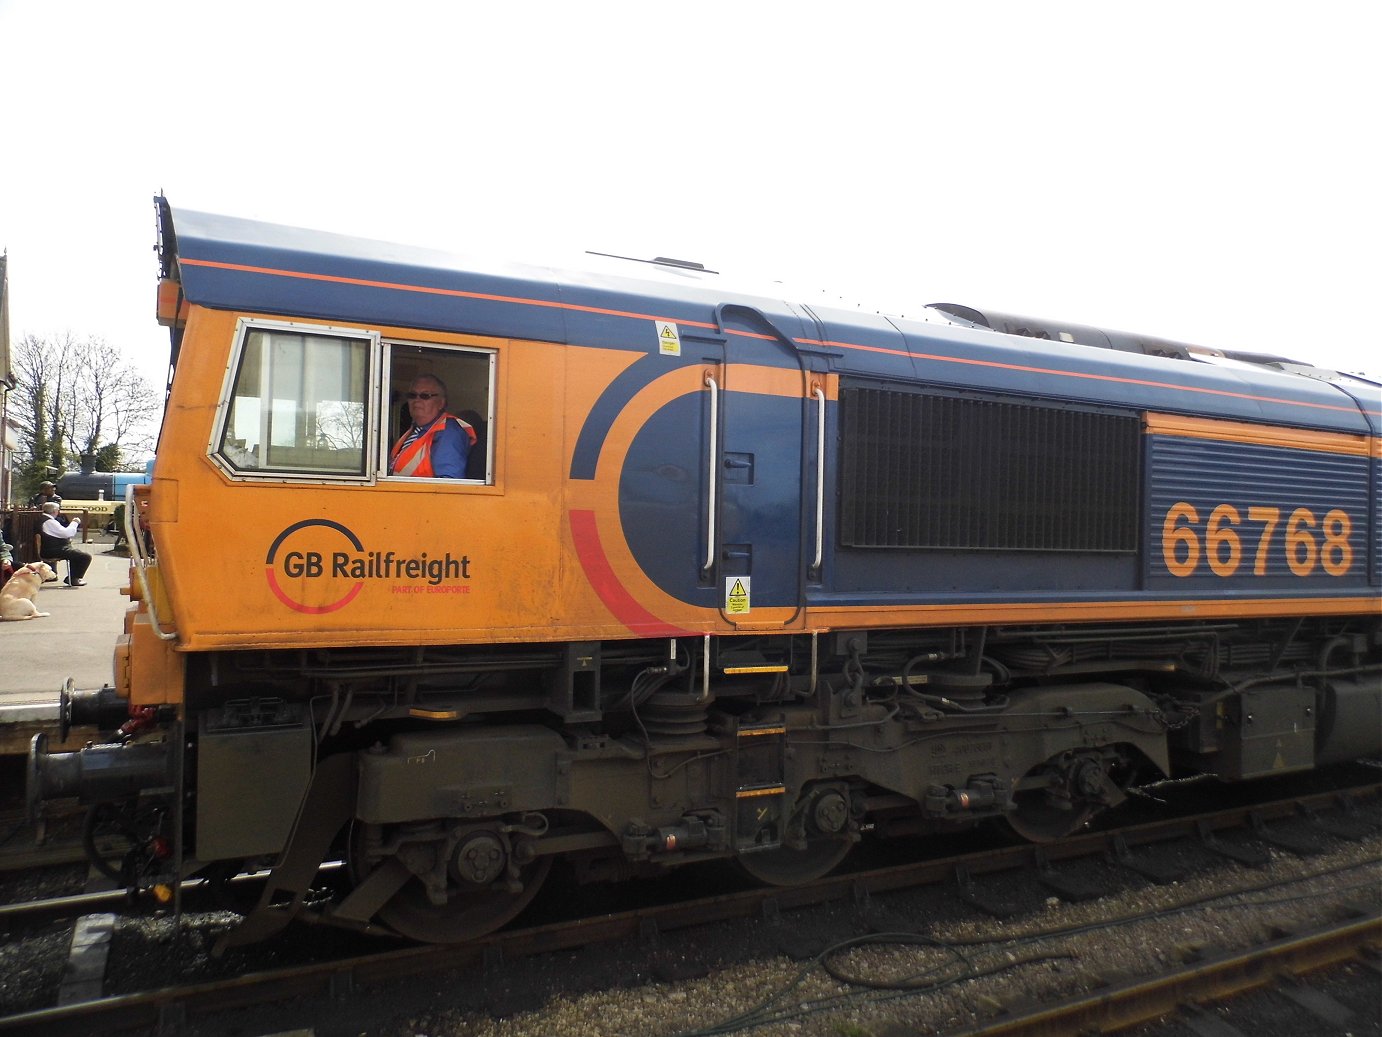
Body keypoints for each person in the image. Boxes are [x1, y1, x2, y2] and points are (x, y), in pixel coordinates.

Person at [388, 375, 476, 478]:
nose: (417, 400)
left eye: (425, 396)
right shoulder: (415, 430)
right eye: (412, 395)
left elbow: (449, 484)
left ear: (441, 403)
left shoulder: (448, 432)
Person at [39, 502, 92, 587]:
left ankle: (72, 578)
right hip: (52, 549)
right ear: (55, 511)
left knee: (76, 554)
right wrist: (75, 522)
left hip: (50, 547)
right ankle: (74, 578)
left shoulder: (44, 519)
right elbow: (67, 533)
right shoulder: (49, 522)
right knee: (85, 557)